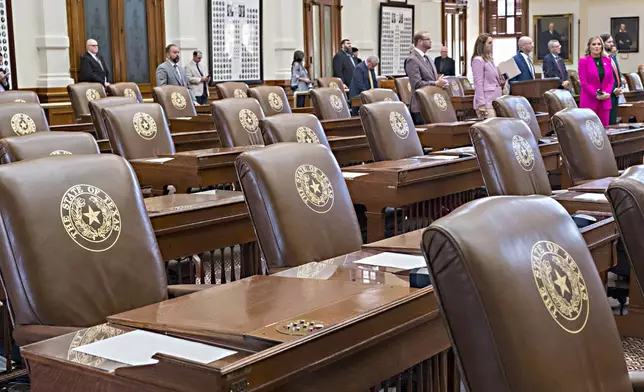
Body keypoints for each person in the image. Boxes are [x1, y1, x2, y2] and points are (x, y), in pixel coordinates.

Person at [405, 31, 447, 125]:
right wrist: (435, 83)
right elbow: (417, 84)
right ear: (420, 41)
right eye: (428, 39)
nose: (431, 41)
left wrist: (441, 83)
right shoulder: (412, 59)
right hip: (420, 106)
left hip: (432, 103)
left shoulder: (428, 58)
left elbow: (433, 79)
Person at [578, 36, 615, 126]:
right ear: (589, 46)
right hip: (589, 100)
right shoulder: (583, 61)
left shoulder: (608, 60)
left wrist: (606, 93)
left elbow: (611, 80)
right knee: (590, 131)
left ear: (602, 46)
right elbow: (584, 82)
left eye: (599, 44)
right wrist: (596, 94)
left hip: (605, 100)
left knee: (604, 129)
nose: (596, 46)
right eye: (594, 44)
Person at [471, 34, 503, 119]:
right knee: (492, 130)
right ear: (482, 45)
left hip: (495, 100)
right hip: (486, 102)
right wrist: (481, 104)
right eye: (489, 43)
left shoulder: (490, 60)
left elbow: (493, 80)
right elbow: (478, 83)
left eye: (492, 43)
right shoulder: (478, 60)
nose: (492, 45)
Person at [600, 33, 624, 125]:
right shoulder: (601, 58)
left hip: (616, 94)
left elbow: (616, 72)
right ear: (603, 43)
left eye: (612, 42)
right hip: (608, 93)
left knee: (613, 121)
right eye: (609, 42)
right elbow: (602, 77)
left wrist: (619, 85)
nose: (611, 44)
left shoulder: (612, 56)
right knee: (608, 122)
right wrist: (613, 89)